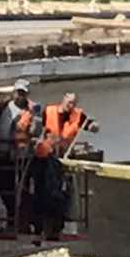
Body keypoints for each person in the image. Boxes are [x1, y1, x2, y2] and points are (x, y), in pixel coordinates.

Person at [32, 92, 98, 238]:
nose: (71, 106)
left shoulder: (77, 115)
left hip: (62, 160)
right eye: (69, 102)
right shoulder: (49, 111)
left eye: (73, 103)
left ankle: (56, 229)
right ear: (63, 100)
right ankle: (39, 228)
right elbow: (36, 129)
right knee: (41, 193)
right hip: (44, 158)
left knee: (59, 195)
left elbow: (90, 124)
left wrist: (94, 126)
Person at [0, 79, 42, 228]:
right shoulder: (3, 107)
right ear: (14, 92)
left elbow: (37, 131)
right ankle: (12, 216)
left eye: (23, 93)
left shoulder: (34, 110)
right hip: (4, 154)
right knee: (4, 188)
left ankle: (23, 222)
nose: (20, 96)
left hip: (23, 156)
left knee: (24, 190)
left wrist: (32, 129)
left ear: (27, 95)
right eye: (18, 92)